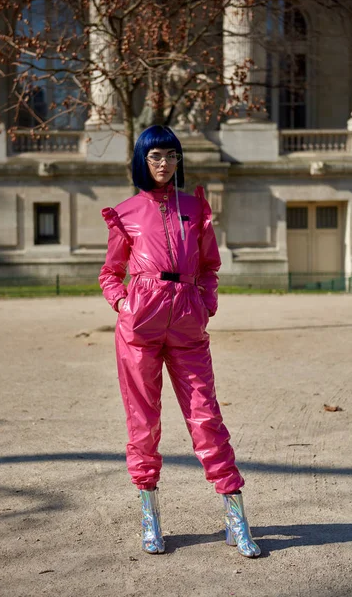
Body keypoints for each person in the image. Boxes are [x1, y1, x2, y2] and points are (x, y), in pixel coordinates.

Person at [99, 125, 260, 558]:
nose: (164, 164)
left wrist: (207, 299)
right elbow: (110, 273)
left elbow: (209, 265)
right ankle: (150, 519)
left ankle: (236, 518)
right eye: (155, 157)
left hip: (188, 322)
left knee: (206, 417)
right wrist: (122, 304)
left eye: (170, 156)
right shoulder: (127, 212)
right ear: (141, 161)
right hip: (140, 327)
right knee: (144, 422)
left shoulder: (195, 207)